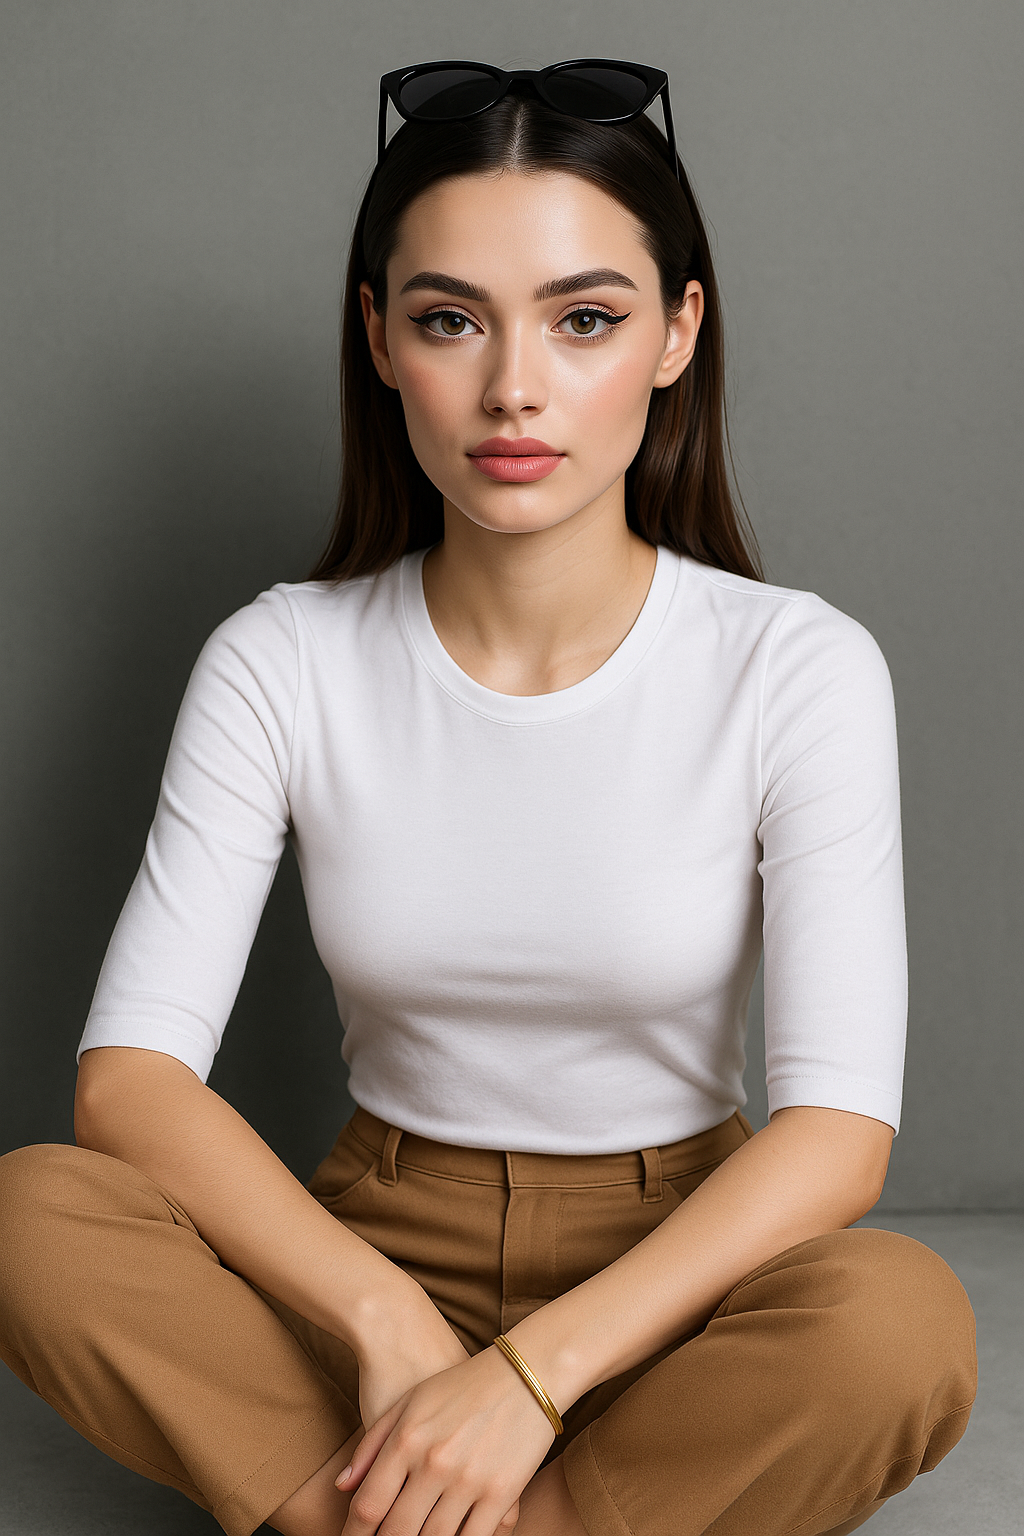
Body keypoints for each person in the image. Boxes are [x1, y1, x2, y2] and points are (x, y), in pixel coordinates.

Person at [0, 58, 977, 1536]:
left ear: (676, 334)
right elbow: (126, 1081)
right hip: (371, 1247)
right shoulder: (284, 656)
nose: (514, 386)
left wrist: (525, 1380)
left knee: (896, 1325)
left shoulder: (796, 665)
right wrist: (390, 1327)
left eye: (586, 319)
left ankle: (431, 1518)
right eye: (450, 319)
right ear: (382, 342)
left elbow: (838, 1130)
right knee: (30, 1216)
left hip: (672, 1274)